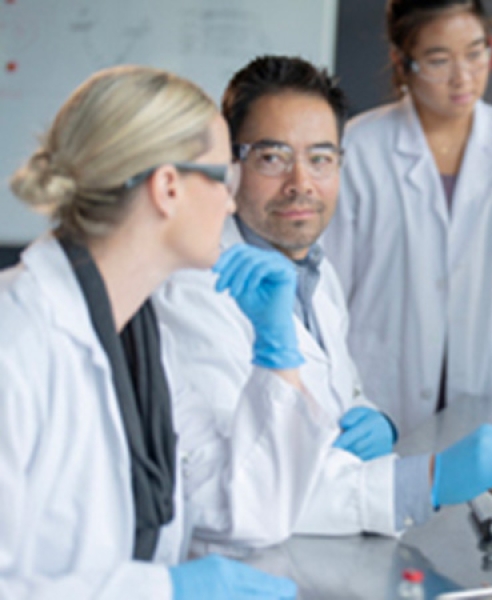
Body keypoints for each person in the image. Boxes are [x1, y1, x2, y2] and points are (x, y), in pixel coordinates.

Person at [152, 55, 492, 542]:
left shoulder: (315, 268)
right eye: (273, 157)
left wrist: (376, 418)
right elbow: (245, 491)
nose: (301, 183)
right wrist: (424, 481)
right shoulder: (196, 291)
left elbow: (343, 388)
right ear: (231, 169)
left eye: (320, 158)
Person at [0, 66, 311, 598]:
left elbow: (247, 511)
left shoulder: (143, 343)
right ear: (167, 187)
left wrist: (278, 354)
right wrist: (163, 591)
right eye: (223, 179)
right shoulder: (17, 342)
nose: (232, 204)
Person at [321, 0, 492, 434]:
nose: (463, 76)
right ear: (402, 62)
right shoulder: (359, 149)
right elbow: (328, 290)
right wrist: (341, 394)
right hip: (380, 394)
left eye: (475, 52)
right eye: (439, 60)